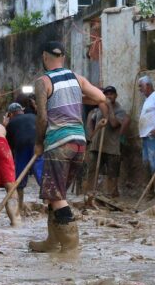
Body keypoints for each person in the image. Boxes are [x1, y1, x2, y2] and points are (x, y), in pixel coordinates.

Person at [29, 40, 107, 252]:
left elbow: (42, 118)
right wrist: (74, 97)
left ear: (45, 57)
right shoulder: (77, 78)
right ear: (63, 57)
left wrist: (38, 143)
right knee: (56, 195)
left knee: (55, 196)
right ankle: (52, 242)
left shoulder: (42, 82)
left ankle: (70, 245)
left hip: (58, 142)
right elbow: (101, 97)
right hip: (79, 143)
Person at [86, 86, 130, 197]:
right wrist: (91, 135)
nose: (109, 96)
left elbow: (114, 123)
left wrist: (109, 107)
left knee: (112, 174)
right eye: (106, 94)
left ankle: (112, 195)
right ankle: (90, 194)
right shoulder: (98, 109)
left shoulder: (120, 111)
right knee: (92, 171)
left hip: (112, 147)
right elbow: (90, 120)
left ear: (116, 95)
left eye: (111, 94)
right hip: (96, 146)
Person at [5, 101, 43, 214]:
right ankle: (50, 204)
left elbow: (9, 146)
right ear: (22, 110)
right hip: (38, 145)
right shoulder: (34, 116)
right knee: (42, 175)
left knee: (19, 178)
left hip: (21, 147)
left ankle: (19, 208)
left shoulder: (11, 123)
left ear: (10, 114)